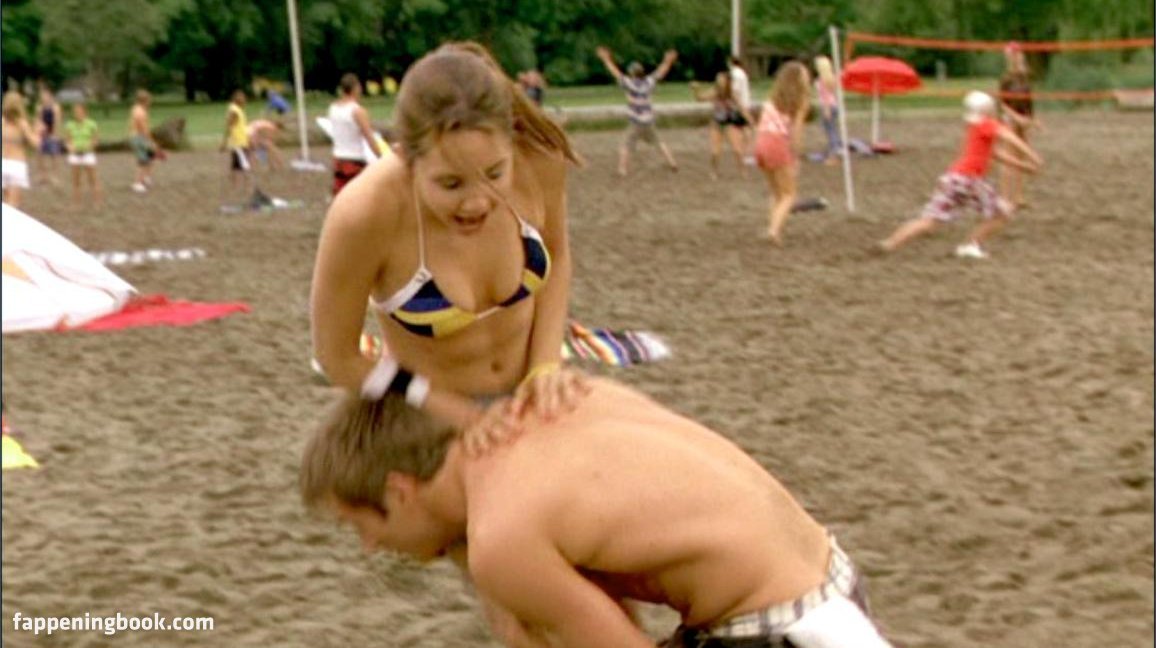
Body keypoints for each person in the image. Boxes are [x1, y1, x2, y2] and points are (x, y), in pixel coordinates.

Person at [300, 373, 894, 648]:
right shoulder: (559, 399)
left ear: (401, 491)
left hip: (767, 634)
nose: (371, 548)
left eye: (361, 526)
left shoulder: (502, 534)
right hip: (833, 582)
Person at [310, 41, 584, 438]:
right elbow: (337, 357)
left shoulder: (539, 161)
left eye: (495, 173)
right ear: (406, 157)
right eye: (450, 183)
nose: (477, 202)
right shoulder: (366, 212)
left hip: (528, 404)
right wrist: (452, 411)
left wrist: (544, 367)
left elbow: (556, 257)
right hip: (426, 419)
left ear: (510, 140)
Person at [877, 91, 1043, 259]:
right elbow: (1009, 138)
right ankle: (970, 245)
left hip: (954, 178)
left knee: (930, 220)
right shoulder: (987, 124)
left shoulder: (975, 126)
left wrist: (1023, 165)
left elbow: (995, 154)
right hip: (971, 180)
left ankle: (890, 243)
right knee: (1002, 213)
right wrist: (1033, 157)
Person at [595, 46, 679, 177]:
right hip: (649, 119)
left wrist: (606, 59)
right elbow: (660, 72)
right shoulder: (648, 82)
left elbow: (615, 73)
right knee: (659, 142)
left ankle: (622, 169)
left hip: (636, 121)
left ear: (632, 73)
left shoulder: (629, 83)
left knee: (626, 144)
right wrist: (668, 61)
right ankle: (672, 162)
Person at [754, 61, 811, 247]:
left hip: (761, 142)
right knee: (789, 194)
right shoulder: (800, 102)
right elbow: (796, 131)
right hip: (778, 143)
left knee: (776, 193)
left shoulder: (772, 100)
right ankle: (773, 231)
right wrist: (797, 155)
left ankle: (773, 227)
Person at [997, 42, 1042, 210]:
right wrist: (1016, 118)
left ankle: (1018, 196)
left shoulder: (1024, 78)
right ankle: (1005, 196)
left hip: (1022, 120)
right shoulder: (1006, 79)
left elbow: (1029, 101)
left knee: (1021, 158)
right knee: (1009, 159)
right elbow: (1002, 104)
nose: (1017, 58)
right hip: (1009, 120)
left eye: (1018, 55)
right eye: (1013, 55)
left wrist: (1032, 120)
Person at [327, 73, 383, 198]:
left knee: (341, 196)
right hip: (354, 159)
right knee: (361, 196)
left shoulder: (333, 108)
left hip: (338, 157)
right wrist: (381, 156)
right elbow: (369, 137)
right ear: (356, 88)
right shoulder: (357, 111)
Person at [690, 71, 752, 180]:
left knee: (737, 149)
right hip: (717, 124)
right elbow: (699, 99)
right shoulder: (715, 92)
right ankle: (713, 171)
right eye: (718, 80)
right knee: (715, 152)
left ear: (728, 82)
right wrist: (696, 89)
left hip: (730, 123)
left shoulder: (732, 94)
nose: (720, 82)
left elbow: (742, 108)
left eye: (722, 80)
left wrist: (750, 122)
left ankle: (743, 170)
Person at [2, 91, 41, 208]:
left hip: (3, 162)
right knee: (13, 205)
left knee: (6, 203)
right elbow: (36, 144)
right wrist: (37, 131)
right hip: (16, 164)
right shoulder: (22, 124)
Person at [62, 102, 103, 209]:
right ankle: (76, 202)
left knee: (92, 179)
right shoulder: (70, 125)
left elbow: (96, 139)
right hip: (75, 155)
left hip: (87, 154)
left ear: (85, 112)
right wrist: (69, 147)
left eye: (79, 111)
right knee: (76, 180)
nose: (77, 114)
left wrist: (90, 145)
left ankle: (97, 201)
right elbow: (67, 140)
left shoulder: (91, 124)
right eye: (75, 112)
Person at [220, 90, 254, 208]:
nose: (245, 100)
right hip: (238, 142)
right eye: (242, 98)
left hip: (240, 141)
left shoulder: (238, 110)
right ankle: (248, 186)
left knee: (235, 165)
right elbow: (230, 126)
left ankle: (234, 186)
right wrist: (224, 142)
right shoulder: (234, 111)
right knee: (245, 165)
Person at [128, 89, 162, 193]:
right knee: (143, 160)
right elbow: (144, 129)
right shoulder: (141, 113)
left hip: (135, 136)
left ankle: (146, 178)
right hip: (139, 138)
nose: (150, 103)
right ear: (145, 100)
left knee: (150, 156)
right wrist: (152, 141)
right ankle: (137, 183)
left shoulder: (135, 109)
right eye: (149, 100)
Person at [813, 56, 843, 166]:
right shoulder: (833, 77)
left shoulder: (822, 79)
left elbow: (825, 95)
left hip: (827, 106)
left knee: (829, 129)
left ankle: (834, 151)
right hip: (834, 104)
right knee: (832, 128)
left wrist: (826, 109)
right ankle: (835, 148)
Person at [34, 83, 64, 186]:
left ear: (50, 95)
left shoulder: (55, 107)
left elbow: (57, 121)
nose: (43, 97)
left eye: (45, 94)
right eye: (42, 95)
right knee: (39, 155)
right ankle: (43, 175)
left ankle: (54, 176)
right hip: (42, 134)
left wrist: (55, 135)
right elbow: (38, 120)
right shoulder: (39, 107)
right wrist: (37, 132)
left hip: (52, 134)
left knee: (54, 155)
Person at [726, 55, 754, 156]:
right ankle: (747, 151)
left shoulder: (735, 74)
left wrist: (738, 105)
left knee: (739, 129)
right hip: (745, 104)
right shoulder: (742, 73)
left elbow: (735, 92)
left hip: (739, 106)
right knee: (746, 127)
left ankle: (743, 151)